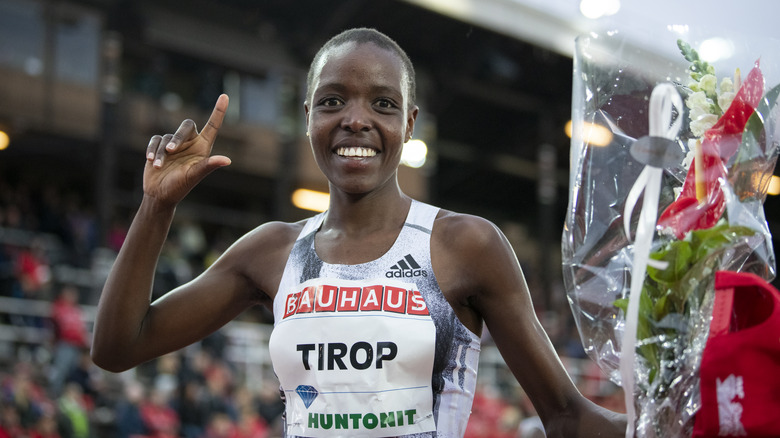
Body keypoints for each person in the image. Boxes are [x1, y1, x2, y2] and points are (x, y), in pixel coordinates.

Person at [91, 28, 625, 437]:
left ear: (409, 123)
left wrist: (689, 419)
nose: (356, 120)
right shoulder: (272, 251)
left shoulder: (465, 245)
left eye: (383, 104)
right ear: (307, 117)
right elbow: (118, 345)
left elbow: (566, 416)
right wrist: (156, 205)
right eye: (332, 100)